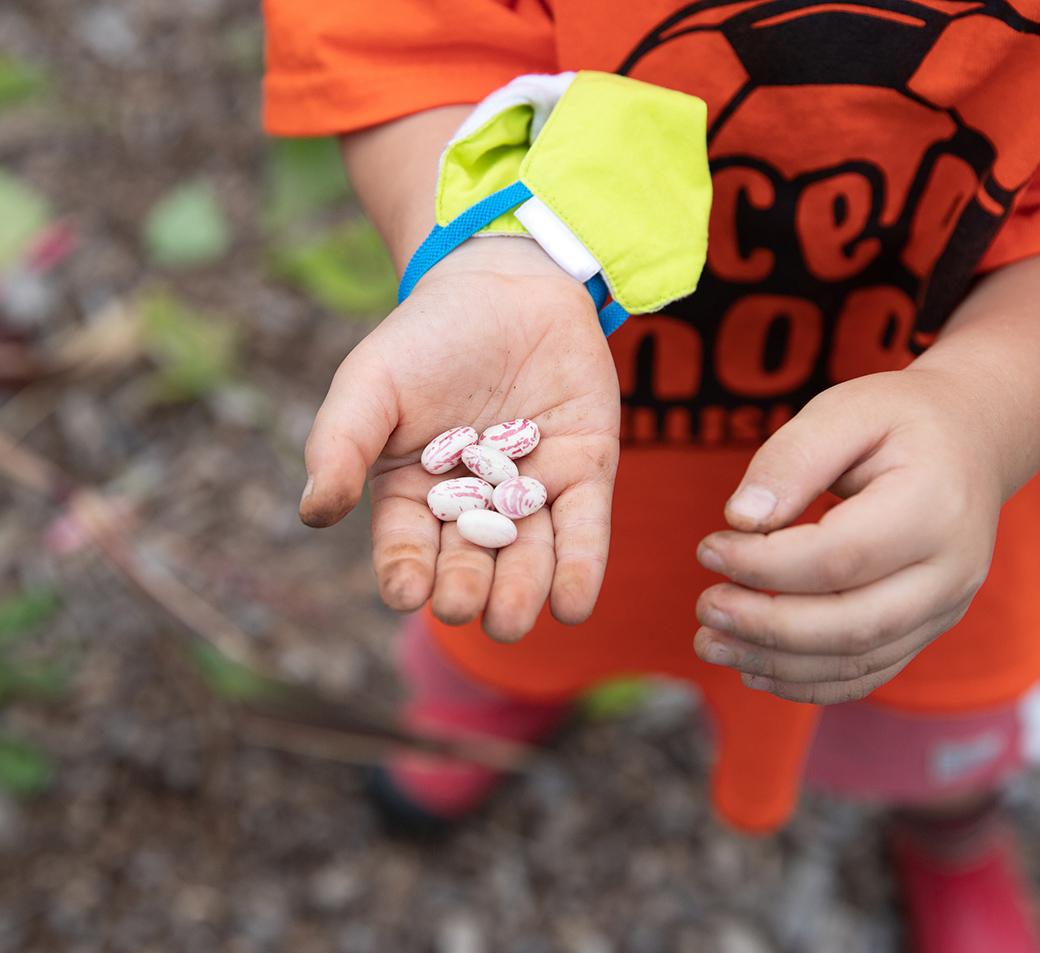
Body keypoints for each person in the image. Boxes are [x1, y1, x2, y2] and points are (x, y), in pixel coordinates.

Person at [262, 2, 1040, 950]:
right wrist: (486, 254)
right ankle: (508, 698)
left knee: (907, 691)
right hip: (578, 431)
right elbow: (404, 44)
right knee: (510, 606)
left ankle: (949, 830)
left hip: (927, 469)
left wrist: (985, 406)